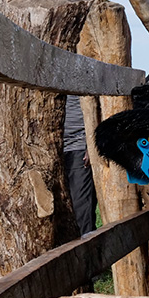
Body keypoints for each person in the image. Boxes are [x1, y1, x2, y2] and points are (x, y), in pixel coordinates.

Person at [63, 95, 98, 235]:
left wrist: (91, 144)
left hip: (78, 148)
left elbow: (97, 105)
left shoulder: (87, 74)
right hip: (51, 148)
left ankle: (88, 253)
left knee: (81, 212)